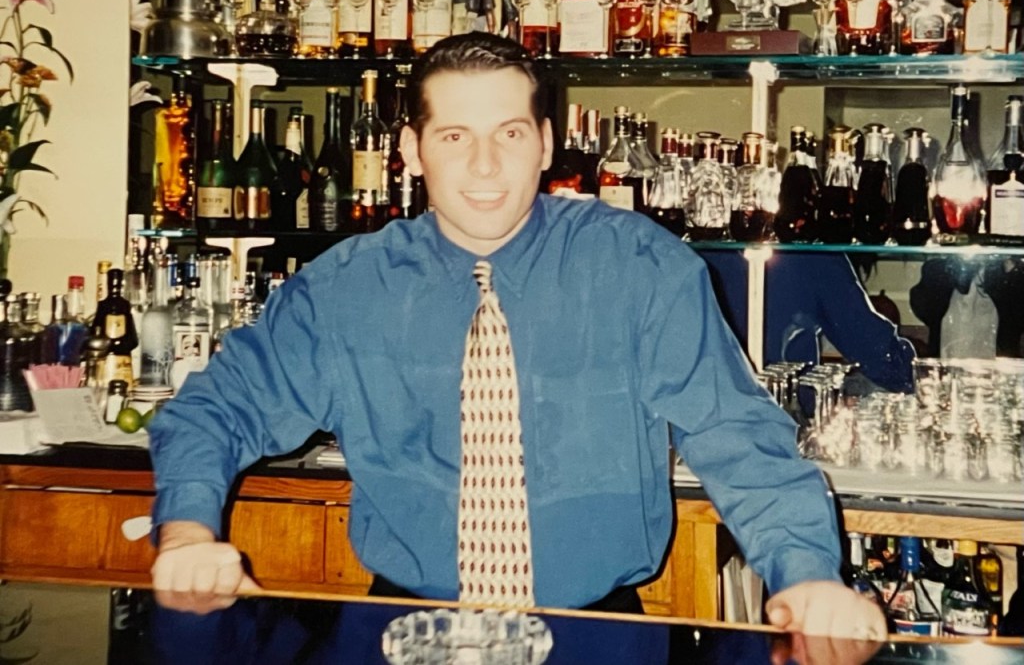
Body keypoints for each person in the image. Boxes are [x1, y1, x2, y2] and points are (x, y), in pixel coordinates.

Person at [149, 33, 885, 641]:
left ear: (546, 141)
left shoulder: (640, 266)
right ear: (411, 150)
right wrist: (185, 531)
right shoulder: (346, 286)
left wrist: (811, 575)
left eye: (508, 134)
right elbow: (214, 409)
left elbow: (739, 438)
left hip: (593, 633)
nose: (484, 166)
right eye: (454, 136)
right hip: (401, 627)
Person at [700, 251, 916, 394]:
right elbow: (876, 354)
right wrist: (920, 375)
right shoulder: (809, 254)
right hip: (786, 426)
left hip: (691, 426)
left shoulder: (682, 246)